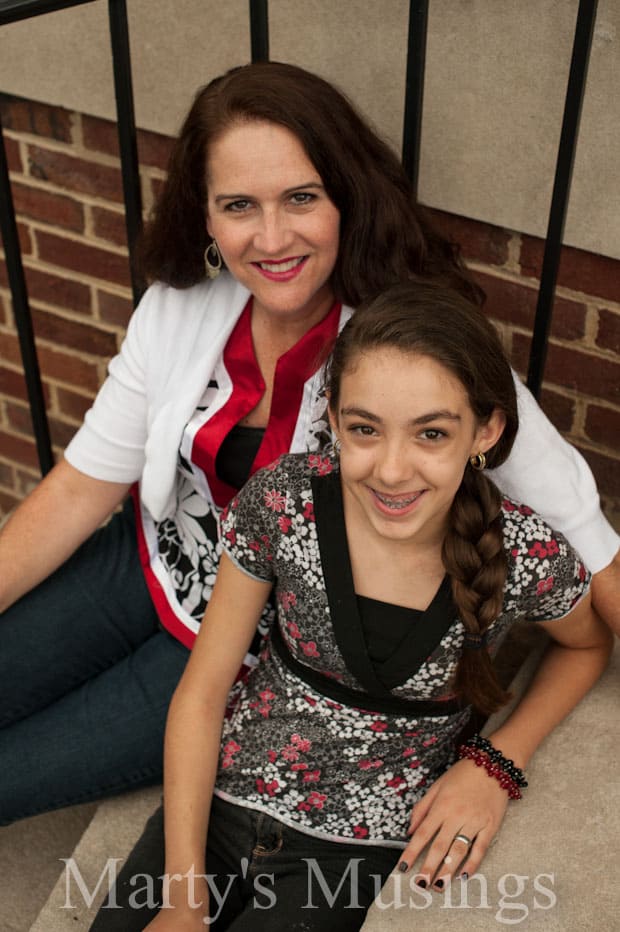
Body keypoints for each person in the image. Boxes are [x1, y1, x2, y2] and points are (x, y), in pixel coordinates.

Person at [0, 61, 617, 827]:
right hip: (146, 564)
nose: (271, 237)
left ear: (345, 198)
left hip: (253, 646)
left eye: (301, 197)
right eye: (238, 206)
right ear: (207, 219)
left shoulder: (413, 351)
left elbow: (590, 546)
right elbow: (77, 488)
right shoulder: (182, 307)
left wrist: (501, 757)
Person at [103, 282, 612, 931]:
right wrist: (182, 894)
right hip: (223, 800)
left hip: (351, 846)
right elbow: (202, 692)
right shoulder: (282, 506)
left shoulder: (524, 554)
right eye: (365, 429)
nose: (393, 470)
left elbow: (587, 645)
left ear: (485, 430)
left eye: (431, 433)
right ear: (334, 420)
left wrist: (496, 762)